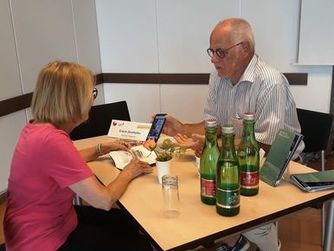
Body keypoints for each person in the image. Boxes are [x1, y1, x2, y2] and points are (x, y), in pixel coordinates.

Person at [163, 18, 303, 251]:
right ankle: (234, 240)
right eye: (211, 51)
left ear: (244, 48)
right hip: (237, 155)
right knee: (202, 188)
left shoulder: (271, 82)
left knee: (239, 202)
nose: (213, 59)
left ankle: (266, 243)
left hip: (278, 162)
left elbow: (267, 145)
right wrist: (182, 128)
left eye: (220, 52)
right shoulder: (218, 77)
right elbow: (213, 126)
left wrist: (215, 144)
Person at [4, 61, 153, 251]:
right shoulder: (52, 141)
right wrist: (130, 171)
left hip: (50, 223)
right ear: (73, 100)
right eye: (91, 93)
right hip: (43, 241)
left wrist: (102, 148)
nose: (92, 99)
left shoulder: (36, 128)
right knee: (137, 243)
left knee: (129, 223)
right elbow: (104, 201)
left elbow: (68, 161)